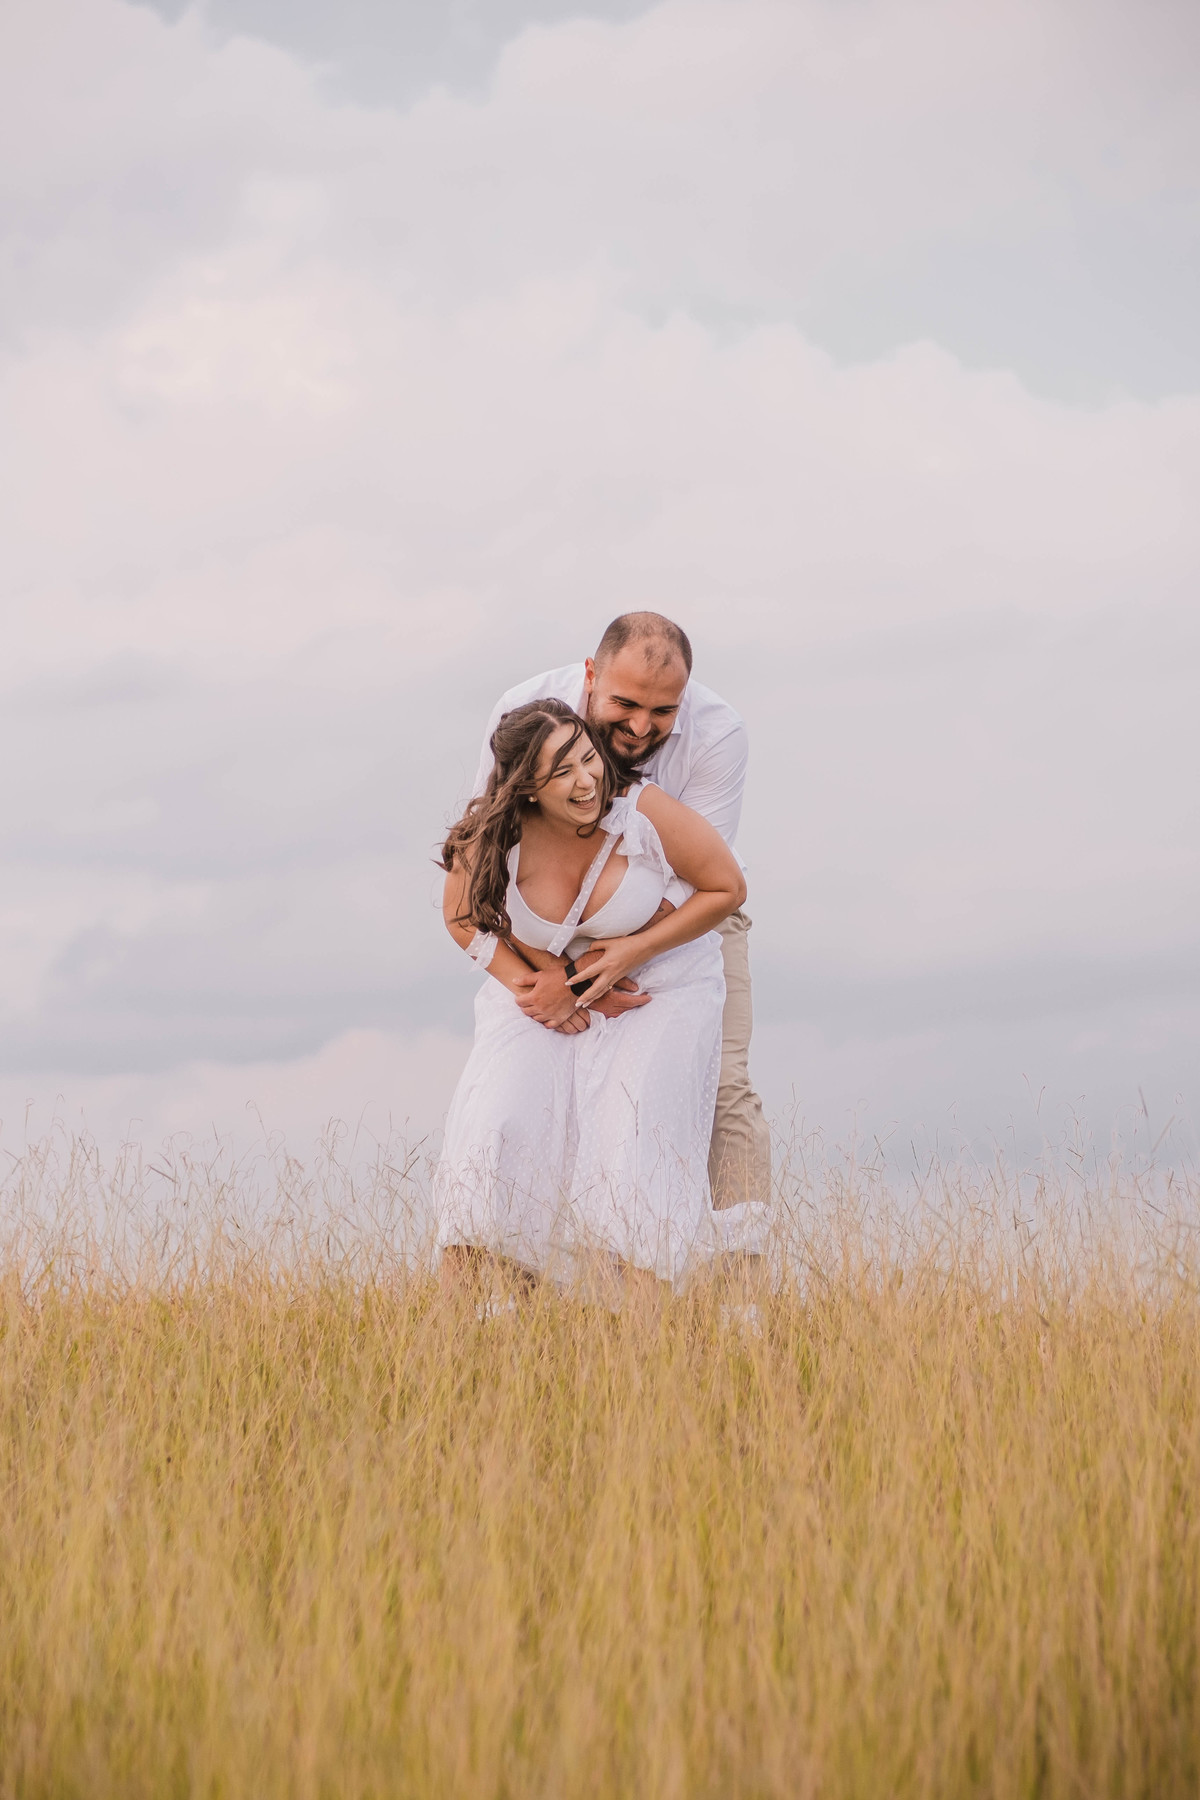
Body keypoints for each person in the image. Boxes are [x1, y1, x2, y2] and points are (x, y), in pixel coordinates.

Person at [434, 699, 770, 1296]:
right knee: (498, 1120)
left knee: (632, 1133)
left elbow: (727, 887)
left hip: (656, 983)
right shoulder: (493, 833)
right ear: (526, 787)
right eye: (562, 771)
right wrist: (543, 985)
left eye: (588, 758)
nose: (587, 780)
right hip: (549, 990)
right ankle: (479, 1307)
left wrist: (628, 954)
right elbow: (463, 917)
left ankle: (639, 1311)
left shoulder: (640, 811)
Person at [471, 612, 772, 1209]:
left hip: (686, 916)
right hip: (550, 924)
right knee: (536, 1086)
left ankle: (738, 1261)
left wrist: (620, 959)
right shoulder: (522, 708)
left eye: (663, 711)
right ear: (590, 675)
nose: (640, 727)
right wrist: (565, 977)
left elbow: (700, 882)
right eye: (625, 704)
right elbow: (488, 849)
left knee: (721, 1085)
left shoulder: (719, 733)